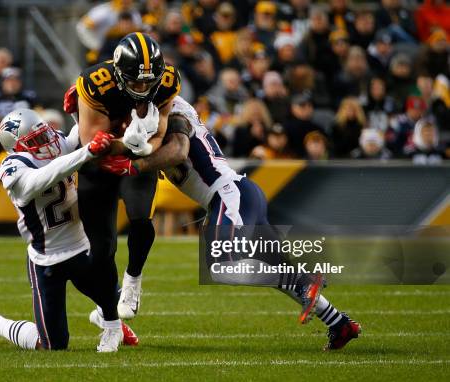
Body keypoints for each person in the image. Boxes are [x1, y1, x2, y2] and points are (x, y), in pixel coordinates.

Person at [100, 95, 361, 350]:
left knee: (223, 268)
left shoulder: (177, 115)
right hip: (239, 195)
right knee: (275, 271)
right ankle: (339, 323)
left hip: (228, 195)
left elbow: (177, 152)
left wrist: (133, 164)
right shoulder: (161, 115)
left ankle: (305, 281)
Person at [0, 108, 138, 353]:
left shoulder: (57, 142)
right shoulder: (13, 166)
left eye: (44, 134)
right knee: (53, 345)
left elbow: (83, 132)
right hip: (47, 259)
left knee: (122, 303)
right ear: (17, 147)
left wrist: (84, 107)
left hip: (82, 246)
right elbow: (40, 180)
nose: (46, 143)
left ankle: (106, 319)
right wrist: (86, 151)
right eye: (36, 141)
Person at [65, 32, 180, 320]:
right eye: (135, 81)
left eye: (147, 81)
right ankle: (108, 308)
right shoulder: (96, 82)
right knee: (102, 250)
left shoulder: (165, 81)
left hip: (135, 158)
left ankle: (133, 279)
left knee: (141, 218)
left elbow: (161, 132)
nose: (142, 87)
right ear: (118, 73)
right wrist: (128, 143)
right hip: (97, 162)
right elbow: (93, 144)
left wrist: (143, 148)